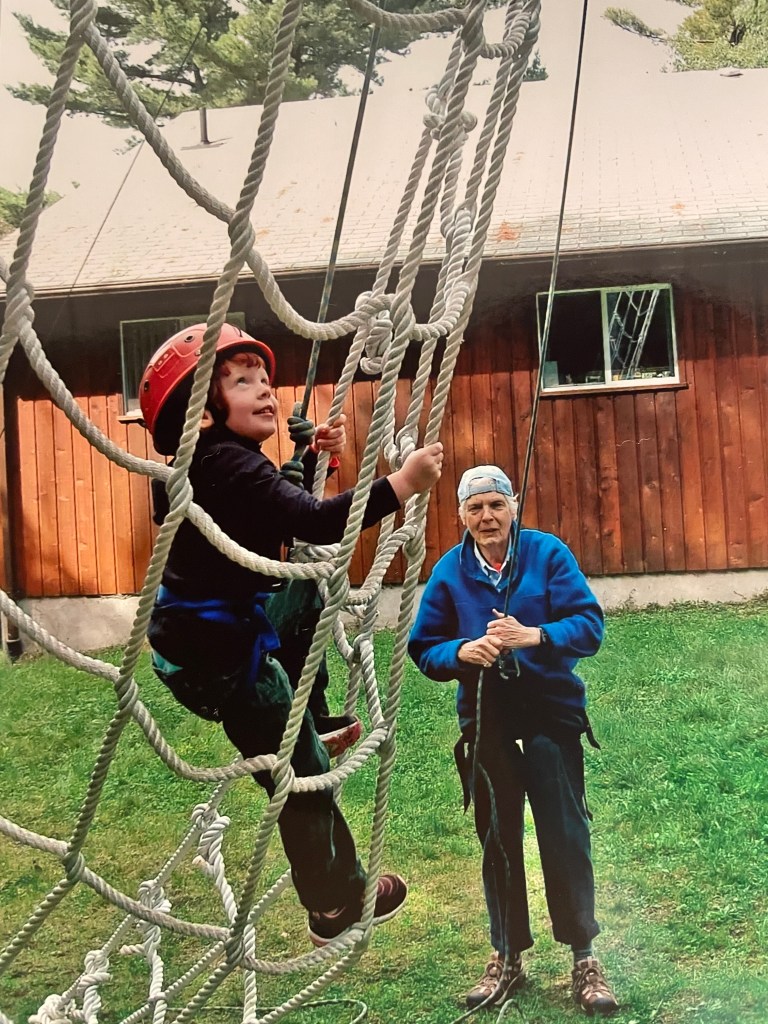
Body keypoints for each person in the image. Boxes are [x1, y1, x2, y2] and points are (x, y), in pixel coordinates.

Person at [139, 322, 443, 945]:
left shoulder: (212, 463)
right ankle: (333, 902)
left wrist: (307, 460)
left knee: (304, 590)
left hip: (208, 637)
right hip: (221, 665)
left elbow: (269, 509)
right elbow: (314, 520)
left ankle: (317, 716)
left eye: (263, 379)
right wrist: (401, 484)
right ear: (200, 412)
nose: (264, 390)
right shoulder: (227, 463)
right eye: (241, 381)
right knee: (301, 775)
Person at [408, 465, 619, 1015]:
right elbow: (423, 647)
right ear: (461, 515)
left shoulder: (547, 555)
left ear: (514, 506)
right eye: (475, 508)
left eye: (496, 505)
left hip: (551, 712)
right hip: (488, 719)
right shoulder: (449, 572)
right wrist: (461, 652)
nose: (487, 517)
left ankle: (584, 957)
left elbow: (590, 626)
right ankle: (507, 956)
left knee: (564, 832)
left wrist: (536, 636)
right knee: (498, 838)